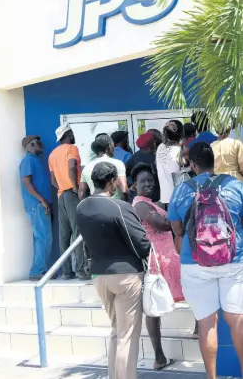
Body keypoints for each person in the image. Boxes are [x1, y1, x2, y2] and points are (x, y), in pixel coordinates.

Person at [169, 142, 243, 379]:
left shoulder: (181, 190)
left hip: (195, 263)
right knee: (237, 319)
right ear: (215, 162)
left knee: (207, 323)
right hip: (233, 260)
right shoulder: (235, 186)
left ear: (192, 164)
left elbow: (177, 230)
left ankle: (211, 377)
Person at [77, 162, 151, 379]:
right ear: (111, 182)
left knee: (116, 332)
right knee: (127, 336)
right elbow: (143, 244)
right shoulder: (120, 207)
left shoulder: (81, 208)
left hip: (100, 275)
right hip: (126, 276)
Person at [132, 163, 184, 370]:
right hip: (158, 258)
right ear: (134, 185)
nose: (148, 184)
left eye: (151, 181)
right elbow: (163, 225)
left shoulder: (150, 202)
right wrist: (177, 214)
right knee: (153, 309)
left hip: (169, 255)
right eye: (143, 181)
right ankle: (159, 356)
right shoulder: (140, 204)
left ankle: (199, 328)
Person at [49, 122, 87, 280]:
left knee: (64, 236)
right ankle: (80, 270)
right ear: (68, 134)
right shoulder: (72, 149)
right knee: (78, 232)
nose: (73, 135)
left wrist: (63, 187)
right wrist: (76, 187)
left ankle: (66, 272)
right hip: (72, 194)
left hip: (61, 195)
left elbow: (53, 180)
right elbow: (72, 168)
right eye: (71, 133)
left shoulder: (52, 154)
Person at [20, 135, 53, 281]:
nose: (42, 145)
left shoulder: (35, 161)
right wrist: (42, 200)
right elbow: (26, 183)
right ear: (31, 145)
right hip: (37, 205)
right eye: (39, 143)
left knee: (44, 238)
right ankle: (37, 271)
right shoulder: (28, 160)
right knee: (42, 238)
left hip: (41, 205)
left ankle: (41, 269)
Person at [79, 133, 128, 202]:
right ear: (109, 146)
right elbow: (124, 191)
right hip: (115, 206)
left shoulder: (87, 167)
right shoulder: (118, 164)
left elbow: (82, 194)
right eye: (113, 146)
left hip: (95, 207)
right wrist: (125, 206)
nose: (114, 149)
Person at [156, 120, 184, 208]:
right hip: (179, 197)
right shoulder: (181, 150)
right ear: (181, 133)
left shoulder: (160, 148)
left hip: (165, 197)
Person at [126, 132, 160, 202]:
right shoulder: (155, 158)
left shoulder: (135, 156)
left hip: (139, 193)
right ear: (151, 144)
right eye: (154, 142)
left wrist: (132, 183)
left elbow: (124, 171)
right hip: (154, 194)